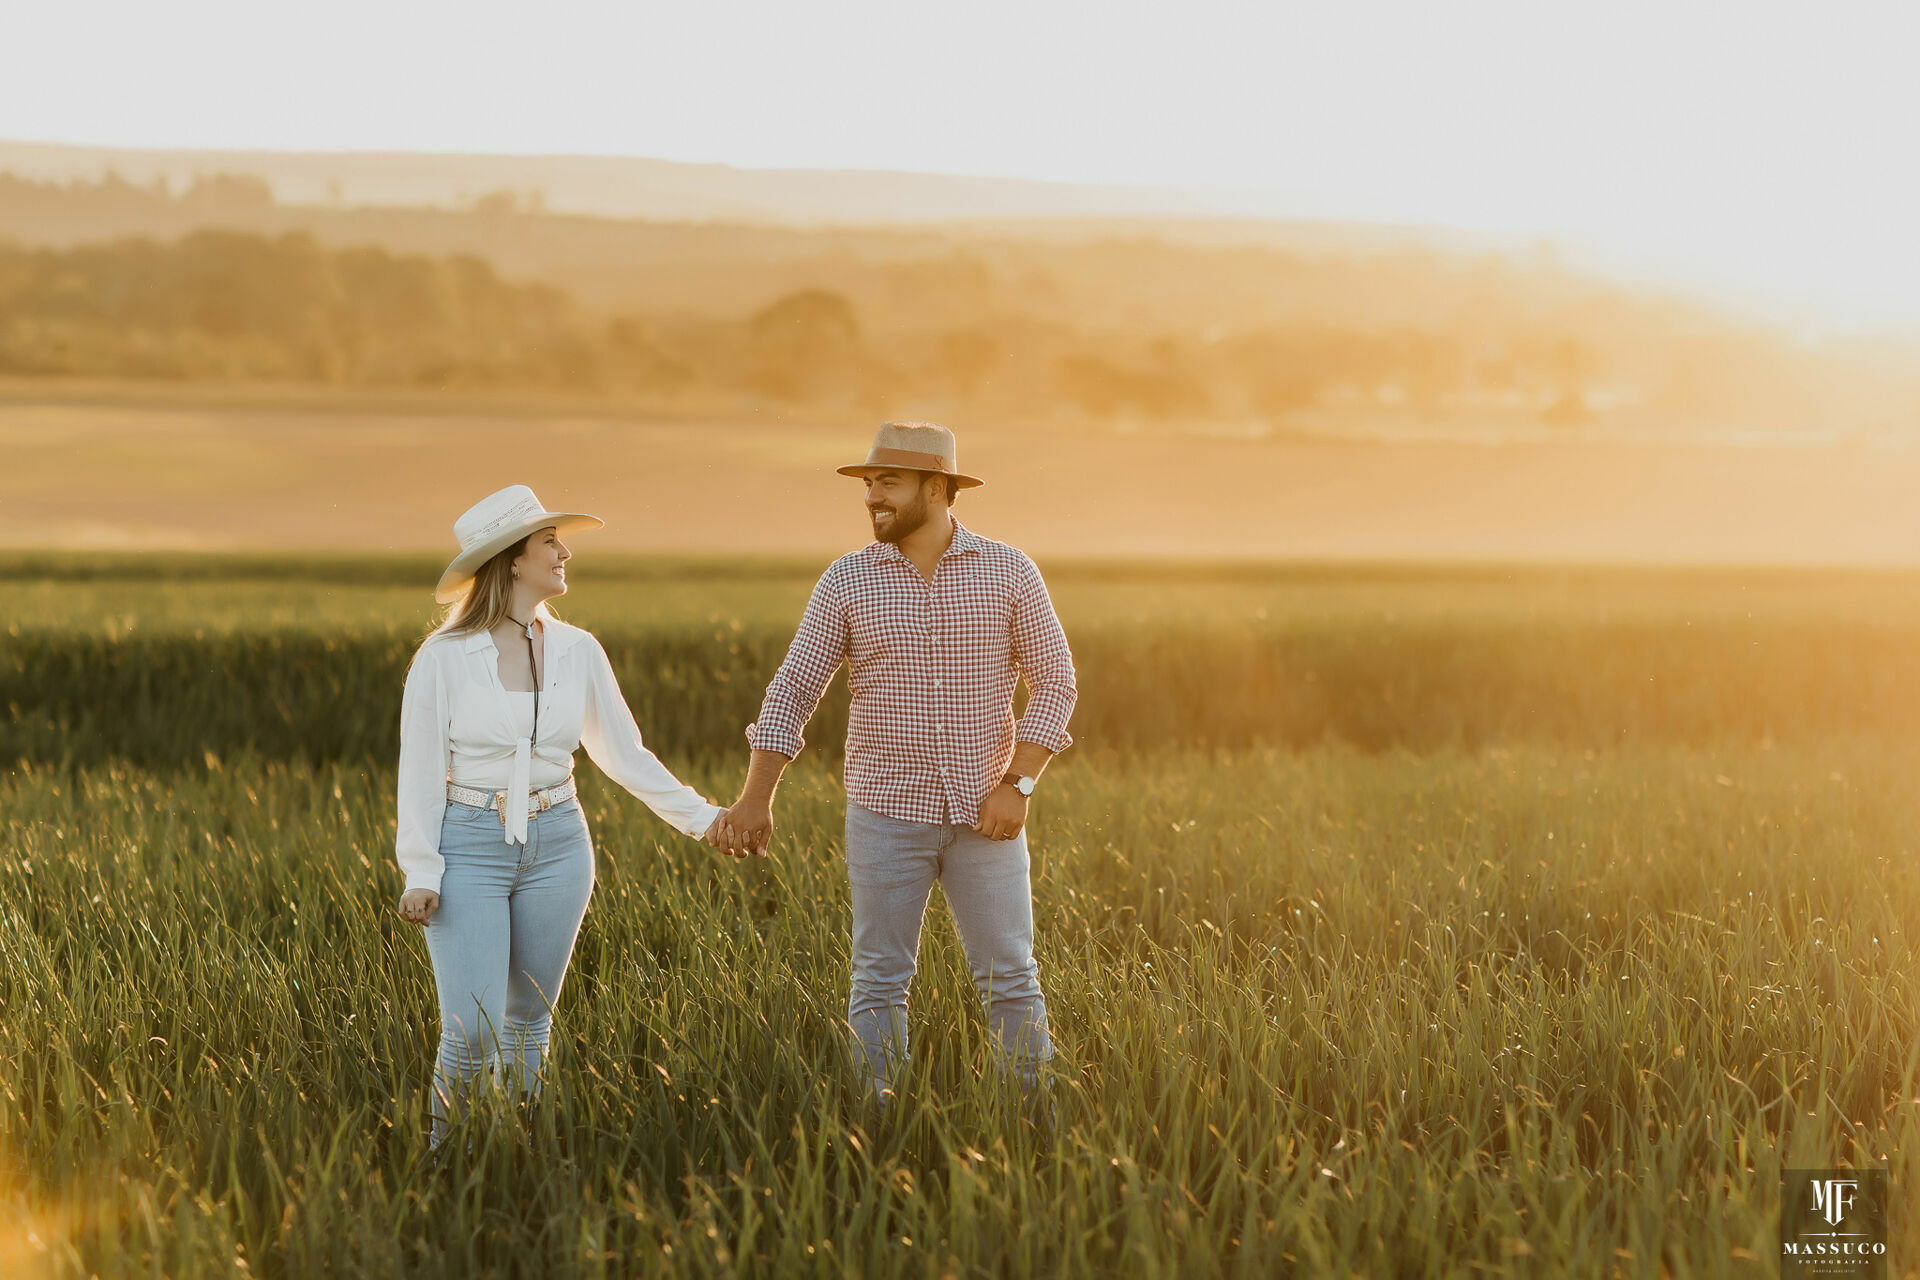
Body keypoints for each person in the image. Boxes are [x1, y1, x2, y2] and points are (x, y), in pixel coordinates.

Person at [718, 421, 1078, 1108]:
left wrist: (1020, 784)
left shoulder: (1008, 571)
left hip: (988, 818)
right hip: (884, 817)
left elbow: (1057, 680)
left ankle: (1031, 1122)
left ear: (937, 488)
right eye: (868, 485)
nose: (872, 497)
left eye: (888, 483)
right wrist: (755, 798)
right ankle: (879, 1129)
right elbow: (794, 687)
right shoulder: (847, 579)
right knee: (880, 979)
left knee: (1011, 977)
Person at [395, 484, 727, 1147]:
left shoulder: (580, 650)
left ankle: (519, 1154)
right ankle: (443, 1167)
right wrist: (421, 869)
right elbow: (422, 771)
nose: (564, 551)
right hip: (469, 845)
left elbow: (625, 755)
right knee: (472, 1029)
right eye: (550, 541)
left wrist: (705, 819)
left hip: (559, 842)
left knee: (528, 1021)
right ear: (513, 560)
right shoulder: (445, 657)